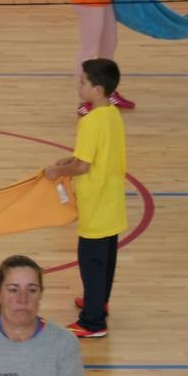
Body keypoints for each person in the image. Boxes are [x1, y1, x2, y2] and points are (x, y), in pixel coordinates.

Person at [44, 58, 127, 338]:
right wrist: (71, 158)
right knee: (107, 260)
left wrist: (57, 170)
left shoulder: (90, 122)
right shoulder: (113, 115)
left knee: (91, 262)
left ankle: (93, 322)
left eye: (83, 83)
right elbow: (92, 154)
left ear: (98, 89)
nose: (79, 86)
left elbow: (83, 167)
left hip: (95, 203)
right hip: (112, 202)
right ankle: (98, 301)